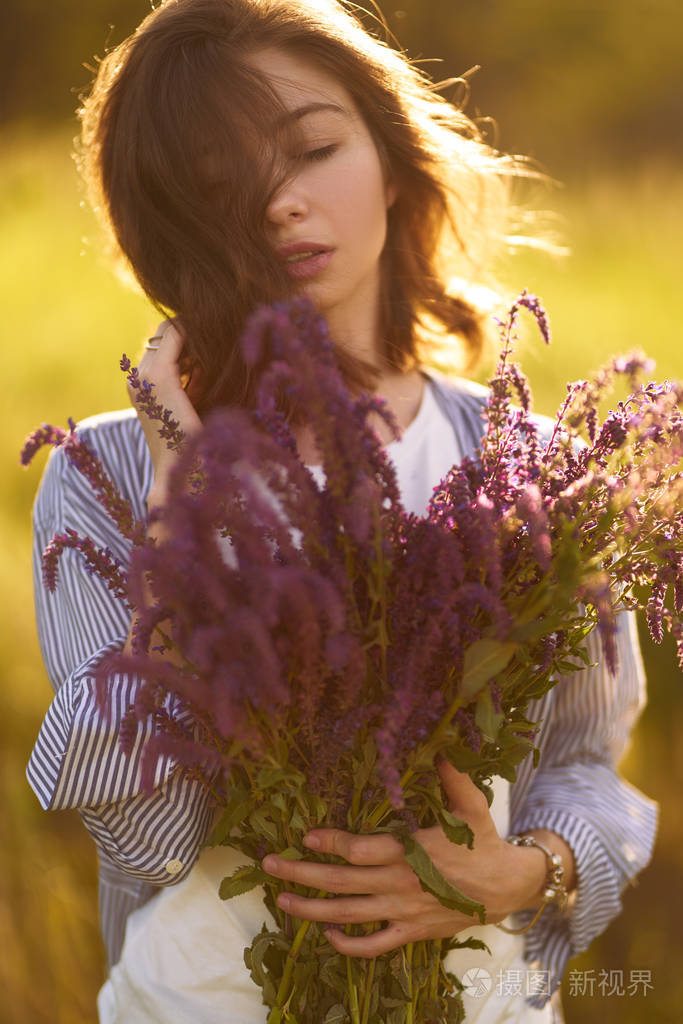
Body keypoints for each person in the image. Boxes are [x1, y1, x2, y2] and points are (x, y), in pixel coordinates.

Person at [27, 1, 657, 1021]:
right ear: (172, 221)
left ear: (391, 158)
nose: (281, 204)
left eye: (314, 150)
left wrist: (528, 870)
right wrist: (180, 506)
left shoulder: (528, 469)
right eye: (221, 186)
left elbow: (583, 761)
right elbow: (146, 835)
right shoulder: (101, 475)